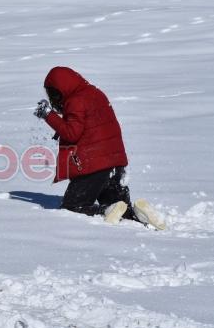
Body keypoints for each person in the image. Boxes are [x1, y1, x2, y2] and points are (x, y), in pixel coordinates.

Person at [34, 66, 165, 229]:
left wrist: (48, 115)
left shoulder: (76, 101)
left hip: (93, 168)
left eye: (53, 94)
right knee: (120, 209)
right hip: (115, 164)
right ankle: (140, 214)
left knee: (72, 207)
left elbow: (71, 133)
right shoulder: (95, 93)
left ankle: (105, 211)